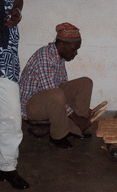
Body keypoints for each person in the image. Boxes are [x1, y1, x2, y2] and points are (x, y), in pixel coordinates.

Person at [20, 22, 93, 150]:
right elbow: (53, 92)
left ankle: (73, 129)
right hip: (31, 107)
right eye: (73, 49)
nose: (76, 53)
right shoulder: (45, 57)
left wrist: (82, 112)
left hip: (48, 99)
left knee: (86, 82)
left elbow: (63, 87)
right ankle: (57, 136)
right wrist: (76, 117)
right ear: (61, 44)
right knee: (56, 94)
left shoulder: (59, 57)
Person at [0, 0, 30, 190]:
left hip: (3, 56)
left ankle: (7, 168)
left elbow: (17, 0)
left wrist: (17, 10)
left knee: (11, 117)